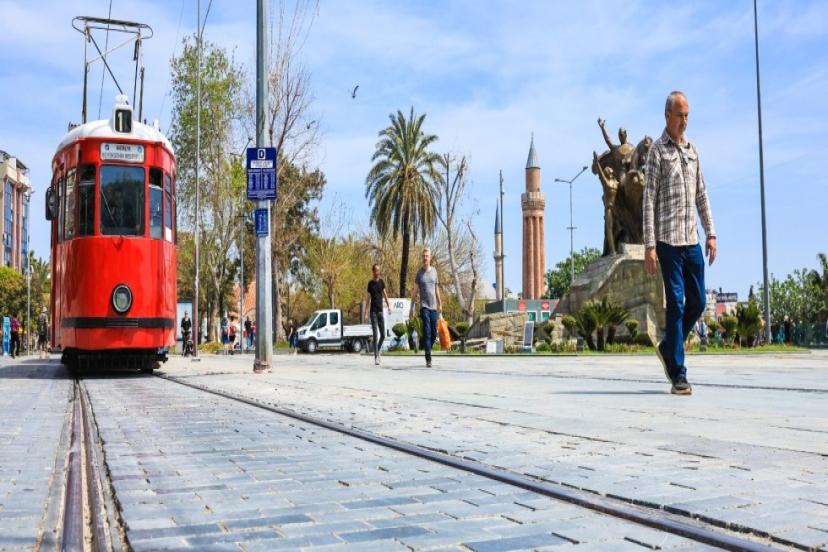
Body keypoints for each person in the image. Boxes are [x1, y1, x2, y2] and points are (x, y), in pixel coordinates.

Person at [643, 91, 716, 396]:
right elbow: (648, 200)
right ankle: (679, 374)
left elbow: (702, 194)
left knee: (697, 301)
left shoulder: (693, 151)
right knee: (676, 303)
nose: (684, 121)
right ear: (667, 117)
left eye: (687, 115)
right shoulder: (657, 152)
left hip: (692, 240)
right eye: (680, 115)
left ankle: (667, 347)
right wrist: (649, 245)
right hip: (668, 241)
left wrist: (711, 232)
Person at [409, 248, 442, 368]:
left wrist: (440, 304)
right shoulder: (419, 273)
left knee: (433, 333)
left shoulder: (434, 272)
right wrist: (411, 309)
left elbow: (436, 289)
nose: (425, 258)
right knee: (427, 332)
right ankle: (428, 358)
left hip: (433, 307)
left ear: (430, 257)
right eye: (423, 256)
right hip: (424, 307)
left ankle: (424, 345)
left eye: (427, 256)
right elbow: (414, 292)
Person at [365, 263, 392, 365]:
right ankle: (376, 357)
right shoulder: (370, 284)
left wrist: (389, 305)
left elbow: (385, 295)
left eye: (379, 270)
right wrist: (366, 312)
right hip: (373, 312)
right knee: (375, 335)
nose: (378, 272)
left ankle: (378, 350)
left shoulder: (381, 282)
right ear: (373, 271)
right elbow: (368, 299)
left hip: (380, 311)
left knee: (383, 335)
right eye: (376, 270)